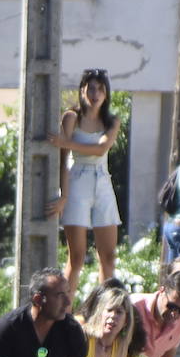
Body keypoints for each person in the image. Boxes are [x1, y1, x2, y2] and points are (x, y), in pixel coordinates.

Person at [47, 68, 123, 294]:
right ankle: (63, 313)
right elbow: (62, 161)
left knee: (108, 256)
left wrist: (66, 144)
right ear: (82, 90)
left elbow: (101, 149)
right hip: (77, 179)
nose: (95, 93)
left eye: (100, 89)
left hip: (102, 180)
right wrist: (64, 196)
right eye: (90, 88)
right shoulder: (71, 117)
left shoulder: (111, 121)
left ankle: (106, 305)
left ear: (106, 93)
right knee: (77, 257)